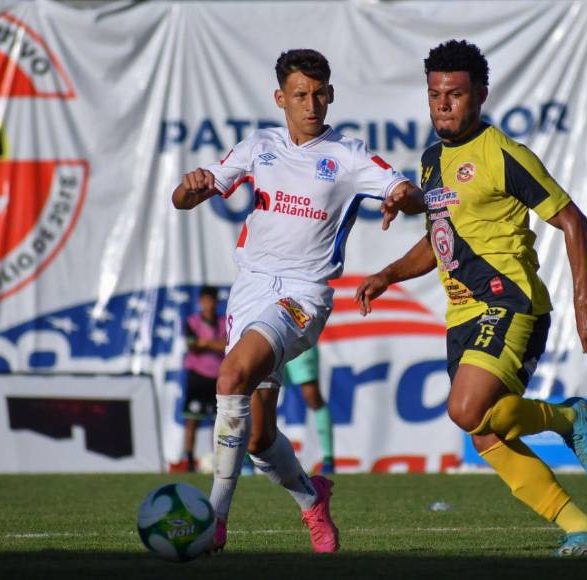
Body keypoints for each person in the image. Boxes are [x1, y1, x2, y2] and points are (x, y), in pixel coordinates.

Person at [356, 40, 587, 557]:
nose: (443, 105)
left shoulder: (503, 154)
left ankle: (567, 420)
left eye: (454, 94)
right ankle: (583, 528)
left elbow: (573, 220)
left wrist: (583, 303)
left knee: (465, 409)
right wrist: (388, 273)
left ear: (480, 95)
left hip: (511, 302)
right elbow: (441, 241)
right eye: (434, 95)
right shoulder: (431, 162)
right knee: (485, 431)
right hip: (462, 316)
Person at [172, 48, 423, 554]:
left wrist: (403, 197)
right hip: (251, 290)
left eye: (319, 94)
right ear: (280, 98)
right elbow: (186, 198)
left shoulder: (349, 155)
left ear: (330, 95)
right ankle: (313, 500)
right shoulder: (258, 146)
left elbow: (407, 191)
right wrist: (190, 186)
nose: (311, 104)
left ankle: (214, 520)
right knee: (261, 441)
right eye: (300, 95)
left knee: (229, 376)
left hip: (304, 296)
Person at [181, 285, 227, 472]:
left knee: (217, 422)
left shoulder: (224, 322)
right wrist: (214, 344)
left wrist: (206, 342)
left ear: (216, 302)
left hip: (218, 377)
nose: (209, 305)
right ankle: (190, 462)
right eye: (205, 301)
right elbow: (193, 346)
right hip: (198, 377)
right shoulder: (192, 322)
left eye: (212, 301)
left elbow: (227, 345)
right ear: (200, 302)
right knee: (192, 419)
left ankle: (219, 460)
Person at [284, 345, 335, 474]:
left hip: (297, 340)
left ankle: (328, 459)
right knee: (260, 395)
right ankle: (247, 459)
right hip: (268, 339)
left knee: (312, 396)